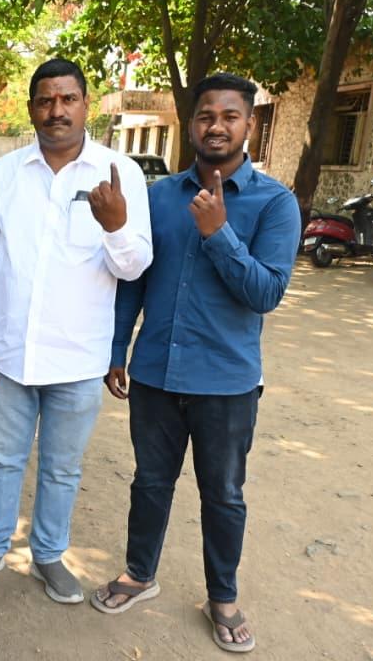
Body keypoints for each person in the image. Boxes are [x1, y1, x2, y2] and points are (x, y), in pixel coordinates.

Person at [93, 73, 301, 654]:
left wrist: (219, 235)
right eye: (206, 115)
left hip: (227, 382)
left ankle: (223, 598)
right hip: (156, 371)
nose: (217, 125)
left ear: (249, 125)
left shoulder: (275, 203)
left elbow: (267, 293)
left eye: (230, 116)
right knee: (150, 481)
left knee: (224, 494)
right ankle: (139, 574)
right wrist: (117, 350)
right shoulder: (159, 197)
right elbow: (134, 278)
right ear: (192, 124)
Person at [0, 58, 153, 605]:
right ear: (32, 108)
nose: (56, 110)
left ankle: (48, 555)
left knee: (63, 468)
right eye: (46, 100)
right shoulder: (4, 173)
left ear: (86, 105)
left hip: (79, 357)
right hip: (8, 353)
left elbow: (135, 267)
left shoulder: (120, 174)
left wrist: (114, 225)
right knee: (0, 458)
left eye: (67, 99)